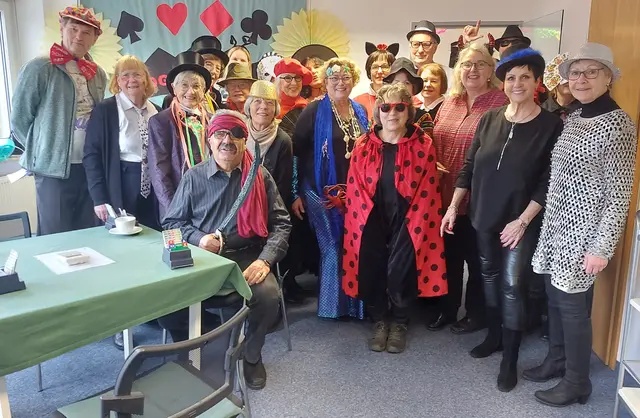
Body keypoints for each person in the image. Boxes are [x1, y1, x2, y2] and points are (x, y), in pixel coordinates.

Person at [441, 47, 563, 392]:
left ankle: (510, 358)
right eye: (511, 78)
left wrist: (522, 221)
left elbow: (548, 181)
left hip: (519, 223)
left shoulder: (550, 125)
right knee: (489, 278)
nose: (517, 83)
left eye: (525, 77)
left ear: (537, 83)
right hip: (483, 215)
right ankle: (494, 336)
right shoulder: (490, 118)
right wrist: (453, 206)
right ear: (503, 83)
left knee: (512, 286)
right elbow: (468, 167)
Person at [527, 43, 637, 407]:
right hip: (556, 226)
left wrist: (601, 248)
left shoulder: (618, 124)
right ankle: (557, 360)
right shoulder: (574, 117)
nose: (581, 79)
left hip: (585, 233)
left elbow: (619, 194)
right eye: (575, 72)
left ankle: (577, 381)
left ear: (608, 78)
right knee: (554, 298)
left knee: (572, 307)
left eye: (591, 72)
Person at [161, 110, 292, 390]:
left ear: (245, 141)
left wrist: (265, 261)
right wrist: (199, 239)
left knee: (268, 296)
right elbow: (172, 223)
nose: (227, 140)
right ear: (209, 140)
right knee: (163, 300)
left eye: (236, 134)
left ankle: (252, 356)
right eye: (220, 134)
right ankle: (194, 344)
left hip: (247, 256)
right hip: (203, 258)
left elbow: (282, 224)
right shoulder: (193, 177)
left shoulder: (260, 176)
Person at [343, 83, 447, 353]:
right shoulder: (363, 144)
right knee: (372, 267)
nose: (392, 113)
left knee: (403, 270)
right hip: (370, 215)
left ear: (408, 111)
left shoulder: (423, 144)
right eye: (386, 107)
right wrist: (364, 220)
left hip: (410, 218)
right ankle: (380, 320)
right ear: (378, 111)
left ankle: (400, 321)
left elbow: (428, 190)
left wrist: (414, 223)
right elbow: (354, 186)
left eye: (400, 107)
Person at [429, 43, 508, 333]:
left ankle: (476, 314)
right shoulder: (449, 102)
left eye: (480, 64)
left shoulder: (501, 103)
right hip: (443, 194)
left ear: (490, 70)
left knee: (477, 260)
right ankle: (447, 309)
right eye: (466, 64)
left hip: (480, 196)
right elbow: (434, 141)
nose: (472, 70)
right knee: (447, 257)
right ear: (458, 70)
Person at [10, 6, 107, 235]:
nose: (79, 36)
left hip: (90, 167)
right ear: (62, 28)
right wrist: (40, 151)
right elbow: (20, 119)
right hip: (52, 171)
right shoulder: (39, 68)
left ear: (94, 39)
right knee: (56, 234)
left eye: (86, 33)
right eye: (73, 29)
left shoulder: (98, 74)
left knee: (89, 233)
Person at [292, 57, 369, 319]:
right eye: (334, 78)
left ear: (353, 81)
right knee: (333, 246)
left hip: (355, 191)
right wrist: (296, 192)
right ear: (325, 82)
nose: (340, 82)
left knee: (354, 244)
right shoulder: (313, 111)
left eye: (345, 77)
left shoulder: (360, 111)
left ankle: (356, 306)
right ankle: (332, 307)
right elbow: (296, 153)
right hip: (319, 191)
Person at [84, 55, 160, 229]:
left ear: (146, 79)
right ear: (117, 81)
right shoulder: (106, 110)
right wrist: (99, 199)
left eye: (137, 75)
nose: (131, 80)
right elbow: (91, 156)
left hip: (154, 187)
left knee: (153, 235)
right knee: (124, 237)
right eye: (125, 75)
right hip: (121, 184)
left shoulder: (156, 111)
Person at [147, 51, 212, 219]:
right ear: (174, 88)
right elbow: (159, 171)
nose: (190, 91)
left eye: (196, 86)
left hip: (211, 201)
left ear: (204, 90)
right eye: (184, 85)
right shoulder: (160, 122)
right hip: (178, 202)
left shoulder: (213, 120)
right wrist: (173, 211)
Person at [244, 80, 293, 206]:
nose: (264, 107)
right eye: (257, 101)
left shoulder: (283, 140)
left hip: (268, 205)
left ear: (276, 109)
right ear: (249, 106)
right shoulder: (239, 133)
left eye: (270, 102)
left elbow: (283, 188)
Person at [383, 58, 434, 137]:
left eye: (406, 83)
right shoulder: (382, 114)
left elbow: (426, 143)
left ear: (414, 88)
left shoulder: (423, 118)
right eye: (396, 82)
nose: (401, 87)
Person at [354, 42, 398, 119]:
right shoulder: (357, 102)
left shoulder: (405, 99)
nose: (380, 71)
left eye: (384, 67)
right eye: (375, 67)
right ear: (369, 71)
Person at [407, 20, 453, 89]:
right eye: (415, 44)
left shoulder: (449, 75)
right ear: (410, 46)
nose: (420, 50)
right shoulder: (402, 75)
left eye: (426, 44)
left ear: (435, 48)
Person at [542, 52, 580, 121]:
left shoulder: (585, 109)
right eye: (562, 74)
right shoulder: (542, 111)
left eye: (573, 73)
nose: (567, 80)